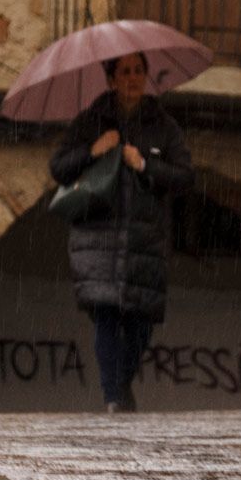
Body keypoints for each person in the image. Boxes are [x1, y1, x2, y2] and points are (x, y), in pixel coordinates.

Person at [48, 52, 193, 413]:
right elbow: (59, 168)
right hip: (98, 238)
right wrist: (92, 150)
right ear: (111, 79)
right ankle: (113, 396)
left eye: (139, 71)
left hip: (144, 241)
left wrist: (144, 164)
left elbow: (184, 177)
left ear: (146, 77)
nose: (132, 77)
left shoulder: (163, 126)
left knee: (141, 323)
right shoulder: (90, 121)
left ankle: (121, 387)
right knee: (108, 315)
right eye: (125, 71)